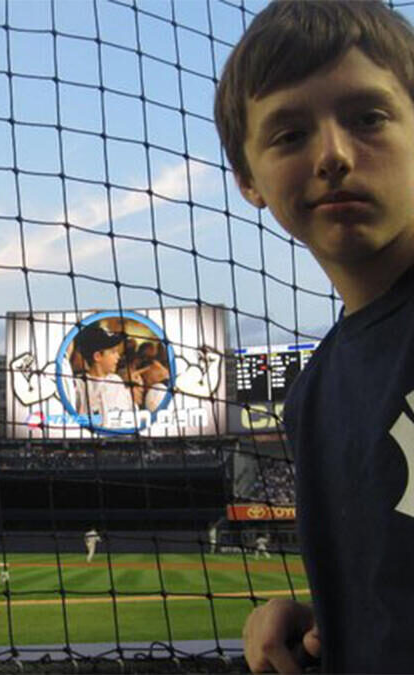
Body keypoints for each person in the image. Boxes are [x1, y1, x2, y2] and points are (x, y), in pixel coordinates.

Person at [214, 1, 414, 671]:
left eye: (368, 117)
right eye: (289, 134)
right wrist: (329, 620)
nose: (332, 155)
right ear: (249, 180)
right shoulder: (315, 393)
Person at [73, 324, 134, 427]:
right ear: (97, 356)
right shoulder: (78, 385)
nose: (118, 356)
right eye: (113, 352)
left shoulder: (117, 382)